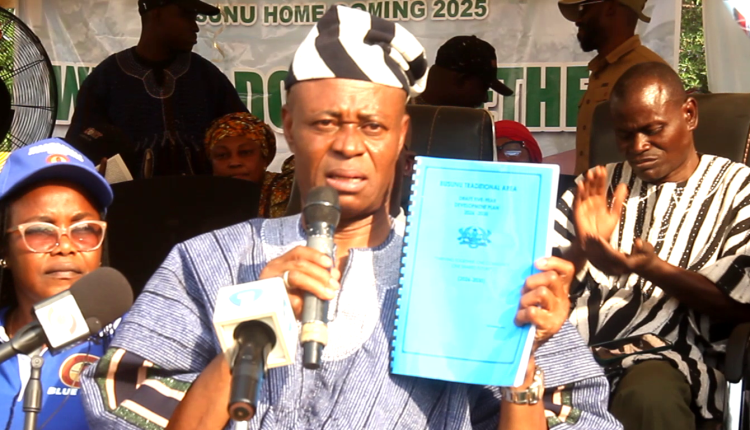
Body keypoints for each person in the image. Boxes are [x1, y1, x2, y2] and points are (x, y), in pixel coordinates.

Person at [81, 6, 620, 430]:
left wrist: (518, 363)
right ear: (290, 126)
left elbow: (580, 418)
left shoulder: (472, 270)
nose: (347, 145)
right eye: (324, 123)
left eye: (372, 126)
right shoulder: (210, 261)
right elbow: (118, 404)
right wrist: (249, 340)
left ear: (403, 137)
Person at [555, 61, 750, 430]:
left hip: (669, 356)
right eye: (625, 135)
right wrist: (581, 250)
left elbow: (741, 304)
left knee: (648, 395)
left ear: (689, 114)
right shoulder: (595, 185)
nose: (638, 146)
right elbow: (536, 284)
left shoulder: (738, 189)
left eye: (653, 129)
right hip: (573, 351)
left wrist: (652, 269)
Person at [0, 138, 114, 429]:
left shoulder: (135, 343)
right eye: (41, 230)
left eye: (84, 229)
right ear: (4, 250)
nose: (65, 246)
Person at [66, 0, 248, 178]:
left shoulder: (205, 75)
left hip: (202, 196)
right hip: (128, 197)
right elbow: (78, 152)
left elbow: (248, 135)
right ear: (156, 13)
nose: (195, 27)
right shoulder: (106, 77)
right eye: (186, 16)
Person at [558, 0, 668, 175]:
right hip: (593, 189)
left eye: (584, 9)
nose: (578, 20)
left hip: (626, 191)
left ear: (609, 8)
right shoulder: (602, 69)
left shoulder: (647, 71)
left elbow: (663, 153)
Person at [205, 112, 293, 218]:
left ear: (264, 157)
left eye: (245, 152)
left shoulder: (290, 190)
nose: (234, 163)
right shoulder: (199, 204)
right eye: (222, 155)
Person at [414, 35, 513, 108]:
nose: (485, 98)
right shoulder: (405, 113)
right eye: (483, 88)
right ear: (461, 79)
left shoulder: (457, 124)